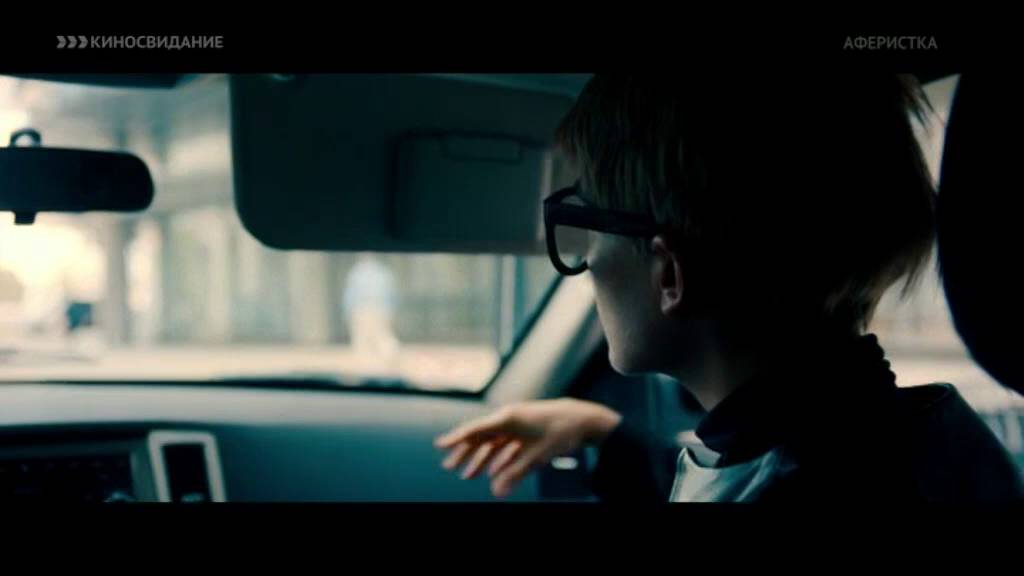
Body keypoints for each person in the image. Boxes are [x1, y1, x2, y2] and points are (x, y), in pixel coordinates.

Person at [434, 73, 1024, 502]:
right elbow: (762, 464)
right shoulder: (930, 439)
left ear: (669, 275)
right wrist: (603, 433)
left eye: (589, 226)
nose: (588, 262)